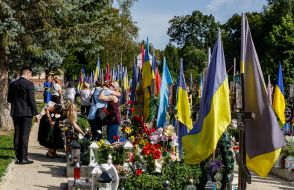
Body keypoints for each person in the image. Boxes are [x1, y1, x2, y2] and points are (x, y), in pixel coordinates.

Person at [8, 66, 38, 164]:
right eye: (31, 75)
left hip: (15, 112)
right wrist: (36, 113)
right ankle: (24, 158)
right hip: (26, 113)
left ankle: (18, 157)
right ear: (28, 73)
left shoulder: (13, 84)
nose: (31, 77)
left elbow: (9, 99)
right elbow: (31, 100)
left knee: (17, 134)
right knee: (24, 135)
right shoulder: (29, 84)